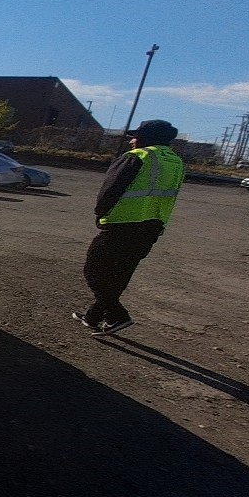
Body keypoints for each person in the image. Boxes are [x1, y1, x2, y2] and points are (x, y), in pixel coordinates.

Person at [73, 119, 185, 336]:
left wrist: (101, 213)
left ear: (145, 138)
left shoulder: (138, 156)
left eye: (135, 137)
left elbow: (111, 189)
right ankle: (94, 316)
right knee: (121, 273)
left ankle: (117, 315)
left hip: (123, 224)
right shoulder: (176, 162)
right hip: (152, 225)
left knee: (94, 270)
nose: (132, 141)